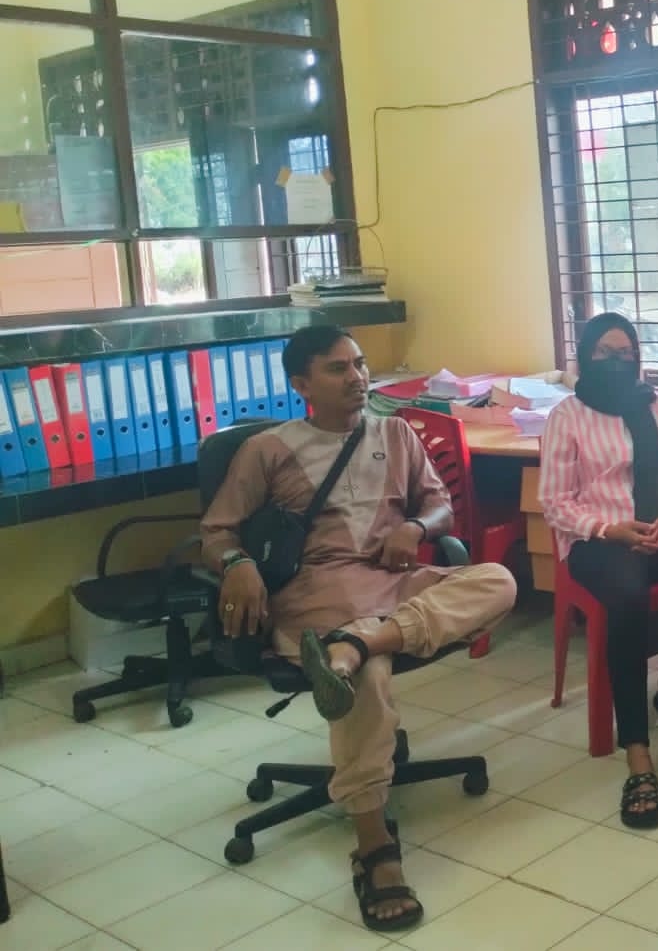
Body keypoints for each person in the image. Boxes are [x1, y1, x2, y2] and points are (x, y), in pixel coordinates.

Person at [202, 326, 516, 935]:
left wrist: (417, 528)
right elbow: (218, 530)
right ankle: (374, 847)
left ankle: (359, 644)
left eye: (360, 364)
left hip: (394, 581)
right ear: (302, 384)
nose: (357, 377)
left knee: (498, 580)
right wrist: (237, 563)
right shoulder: (268, 449)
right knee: (364, 679)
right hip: (318, 594)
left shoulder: (396, 433)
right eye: (337, 368)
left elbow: (440, 504)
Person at [540, 313, 658, 829]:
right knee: (626, 601)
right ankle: (637, 750)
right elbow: (555, 502)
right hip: (599, 537)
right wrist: (609, 529)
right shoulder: (567, 416)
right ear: (586, 356)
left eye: (626, 352)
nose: (617, 361)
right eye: (605, 353)